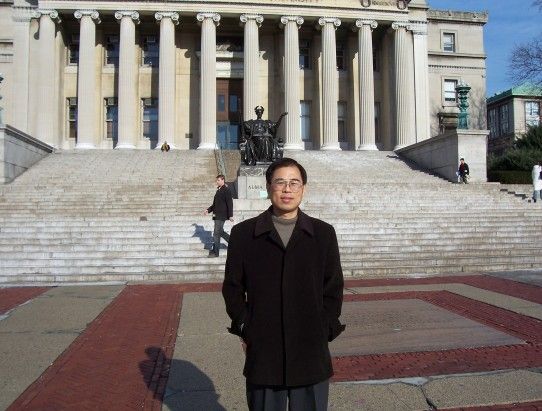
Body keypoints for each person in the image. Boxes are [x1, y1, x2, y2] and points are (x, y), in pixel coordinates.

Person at [222, 158, 345, 411]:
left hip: (310, 351)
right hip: (264, 352)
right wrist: (245, 324)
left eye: (294, 183)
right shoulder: (244, 234)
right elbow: (232, 287)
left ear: (303, 189)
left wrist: (325, 326)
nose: (287, 189)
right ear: (269, 187)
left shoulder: (323, 234)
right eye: (280, 182)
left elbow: (333, 287)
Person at [204, 175, 233, 257]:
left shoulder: (226, 190)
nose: (217, 182)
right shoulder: (218, 190)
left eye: (218, 180)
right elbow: (215, 204)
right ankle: (234, 242)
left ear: (223, 180)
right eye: (217, 180)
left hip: (222, 215)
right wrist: (208, 210)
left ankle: (215, 252)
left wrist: (230, 215)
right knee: (220, 232)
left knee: (216, 233)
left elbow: (229, 203)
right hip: (216, 215)